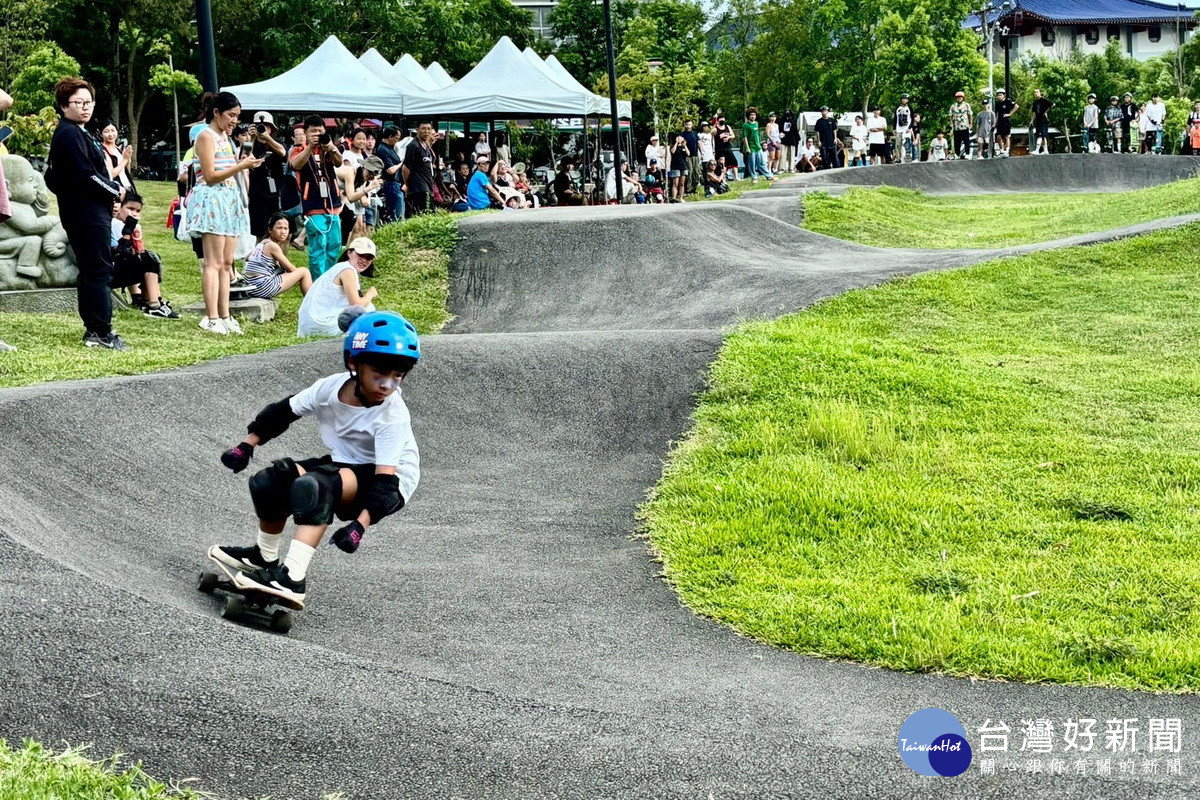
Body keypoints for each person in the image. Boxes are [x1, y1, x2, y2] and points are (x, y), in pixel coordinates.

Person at [209, 310, 420, 606]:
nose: (387, 386)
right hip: (347, 462)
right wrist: (246, 446)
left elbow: (385, 485)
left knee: (316, 486)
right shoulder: (329, 389)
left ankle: (292, 578)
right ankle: (264, 557)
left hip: (390, 481)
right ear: (353, 364)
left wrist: (359, 526)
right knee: (272, 480)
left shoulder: (391, 416)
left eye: (397, 377)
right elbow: (282, 412)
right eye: (379, 374)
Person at [45, 77, 127, 350]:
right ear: (63, 106)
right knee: (97, 271)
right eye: (78, 103)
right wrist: (113, 190)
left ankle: (97, 329)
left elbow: (53, 177)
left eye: (88, 102)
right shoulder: (68, 133)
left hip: (88, 212)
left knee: (94, 270)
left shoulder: (80, 132)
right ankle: (99, 331)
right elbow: (85, 175)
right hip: (85, 215)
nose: (85, 107)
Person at [189, 91, 262, 336]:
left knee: (227, 263)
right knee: (212, 262)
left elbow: (227, 170)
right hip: (213, 201)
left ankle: (224, 314)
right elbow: (209, 176)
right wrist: (240, 165)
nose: (234, 121)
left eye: (237, 116)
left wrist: (243, 164)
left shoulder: (225, 137)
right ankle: (211, 317)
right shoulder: (205, 136)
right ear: (216, 112)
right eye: (231, 115)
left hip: (230, 201)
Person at [290, 115, 344, 279]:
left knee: (335, 244)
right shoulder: (298, 149)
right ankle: (318, 282)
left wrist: (331, 148)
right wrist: (309, 147)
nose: (317, 134)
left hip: (332, 204)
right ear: (305, 132)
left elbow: (339, 162)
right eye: (313, 131)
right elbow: (295, 164)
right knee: (318, 243)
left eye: (320, 131)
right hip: (312, 204)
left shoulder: (328, 147)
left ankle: (330, 279)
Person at [110, 193, 179, 319]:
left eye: (137, 211)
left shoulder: (129, 225)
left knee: (150, 257)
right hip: (112, 270)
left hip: (121, 268)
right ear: (119, 208)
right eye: (130, 209)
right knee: (149, 260)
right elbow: (120, 252)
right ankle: (154, 305)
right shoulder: (114, 224)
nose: (134, 213)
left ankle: (146, 299)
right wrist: (128, 231)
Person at [297, 237, 379, 337]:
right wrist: (370, 294)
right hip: (321, 326)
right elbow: (357, 305)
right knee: (369, 308)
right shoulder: (348, 270)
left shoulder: (341, 267)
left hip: (308, 327)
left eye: (368, 258)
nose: (364, 260)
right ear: (349, 252)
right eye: (361, 254)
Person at [244, 212, 313, 300]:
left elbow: (247, 258)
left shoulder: (263, 242)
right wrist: (296, 276)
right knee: (304, 271)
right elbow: (291, 269)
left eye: (285, 228)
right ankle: (312, 304)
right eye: (279, 228)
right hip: (261, 287)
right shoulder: (272, 246)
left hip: (250, 286)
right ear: (270, 230)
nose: (283, 232)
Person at [246, 112, 288, 238]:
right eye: (259, 126)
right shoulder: (251, 142)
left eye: (266, 126)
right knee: (260, 231)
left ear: (271, 129)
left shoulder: (276, 141)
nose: (262, 129)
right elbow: (245, 156)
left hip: (275, 193)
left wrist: (267, 138)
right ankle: (259, 254)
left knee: (277, 229)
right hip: (256, 193)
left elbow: (282, 152)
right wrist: (252, 138)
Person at [403, 120, 437, 217]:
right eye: (423, 129)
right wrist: (407, 184)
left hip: (428, 184)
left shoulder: (425, 145)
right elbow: (405, 168)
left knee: (430, 214)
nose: (426, 131)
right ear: (417, 130)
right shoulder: (413, 146)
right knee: (422, 215)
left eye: (429, 129)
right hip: (418, 188)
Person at [98, 121, 136, 195]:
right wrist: (125, 160)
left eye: (113, 130)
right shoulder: (102, 151)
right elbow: (110, 175)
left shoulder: (118, 149)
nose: (111, 134)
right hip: (116, 188)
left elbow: (126, 171)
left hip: (127, 185)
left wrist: (128, 160)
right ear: (101, 134)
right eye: (106, 131)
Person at [376, 126, 404, 223]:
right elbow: (390, 170)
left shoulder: (390, 149)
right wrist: (401, 163)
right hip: (391, 184)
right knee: (396, 214)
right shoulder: (383, 150)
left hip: (396, 184)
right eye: (396, 138)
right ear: (390, 136)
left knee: (399, 212)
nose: (397, 140)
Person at [741, 108, 772, 182]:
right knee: (752, 164)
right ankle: (754, 177)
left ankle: (768, 176)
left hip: (758, 147)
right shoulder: (746, 125)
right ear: (748, 116)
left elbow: (757, 135)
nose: (753, 116)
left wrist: (760, 143)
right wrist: (747, 148)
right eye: (751, 115)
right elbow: (744, 137)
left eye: (754, 115)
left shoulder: (756, 123)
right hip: (751, 147)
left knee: (762, 162)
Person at [949, 91, 973, 159]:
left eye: (960, 97)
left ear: (963, 98)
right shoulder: (953, 106)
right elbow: (950, 116)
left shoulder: (966, 105)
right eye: (957, 97)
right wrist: (951, 124)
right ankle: (957, 154)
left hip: (965, 125)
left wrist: (970, 123)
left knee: (966, 140)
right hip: (956, 126)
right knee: (957, 141)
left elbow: (970, 114)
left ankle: (967, 153)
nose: (959, 98)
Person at [712, 115, 738, 180]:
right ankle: (723, 178)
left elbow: (733, 135)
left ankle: (736, 177)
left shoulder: (727, 127)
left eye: (723, 120)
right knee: (722, 163)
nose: (722, 122)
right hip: (720, 148)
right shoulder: (715, 128)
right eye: (721, 120)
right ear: (718, 121)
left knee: (734, 162)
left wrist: (728, 137)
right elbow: (710, 135)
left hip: (728, 147)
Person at [993, 89, 1017, 158]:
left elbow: (1016, 106)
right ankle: (1001, 151)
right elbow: (997, 115)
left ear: (1004, 95)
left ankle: (1007, 151)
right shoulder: (997, 104)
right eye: (998, 95)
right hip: (1000, 122)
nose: (999, 97)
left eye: (1000, 95)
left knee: (1006, 136)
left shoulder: (1007, 102)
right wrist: (995, 123)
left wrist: (1010, 114)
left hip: (1006, 121)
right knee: (998, 137)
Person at [680, 120, 701, 194]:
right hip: (687, 156)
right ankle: (688, 189)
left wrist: (702, 152)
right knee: (689, 172)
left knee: (696, 172)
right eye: (686, 124)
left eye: (689, 124)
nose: (688, 126)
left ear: (692, 125)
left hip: (695, 155)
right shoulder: (682, 134)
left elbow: (698, 143)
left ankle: (695, 188)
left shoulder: (695, 133)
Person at [1030, 89, 1053, 155]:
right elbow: (1034, 112)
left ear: (1040, 93)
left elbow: (1052, 104)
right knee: (1043, 136)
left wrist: (1045, 111)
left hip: (1043, 120)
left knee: (1041, 135)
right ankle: (1045, 150)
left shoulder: (1044, 100)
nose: (1036, 93)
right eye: (1034, 92)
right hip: (1038, 119)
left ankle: (1037, 150)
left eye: (1037, 92)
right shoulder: (1035, 102)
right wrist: (1032, 120)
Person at [669, 133, 689, 202]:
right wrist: (676, 143)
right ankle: (674, 198)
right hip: (675, 166)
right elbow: (672, 151)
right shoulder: (673, 146)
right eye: (679, 138)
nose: (680, 139)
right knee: (675, 183)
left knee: (682, 183)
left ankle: (681, 198)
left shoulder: (684, 147)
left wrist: (685, 146)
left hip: (683, 166)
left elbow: (688, 154)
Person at [894, 95, 913, 163]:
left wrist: (910, 127)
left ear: (908, 100)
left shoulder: (909, 108)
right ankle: (898, 158)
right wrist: (894, 128)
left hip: (906, 129)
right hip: (899, 128)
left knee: (907, 143)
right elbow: (895, 118)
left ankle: (908, 157)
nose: (904, 100)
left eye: (905, 99)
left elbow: (912, 118)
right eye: (903, 99)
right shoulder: (898, 108)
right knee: (898, 144)